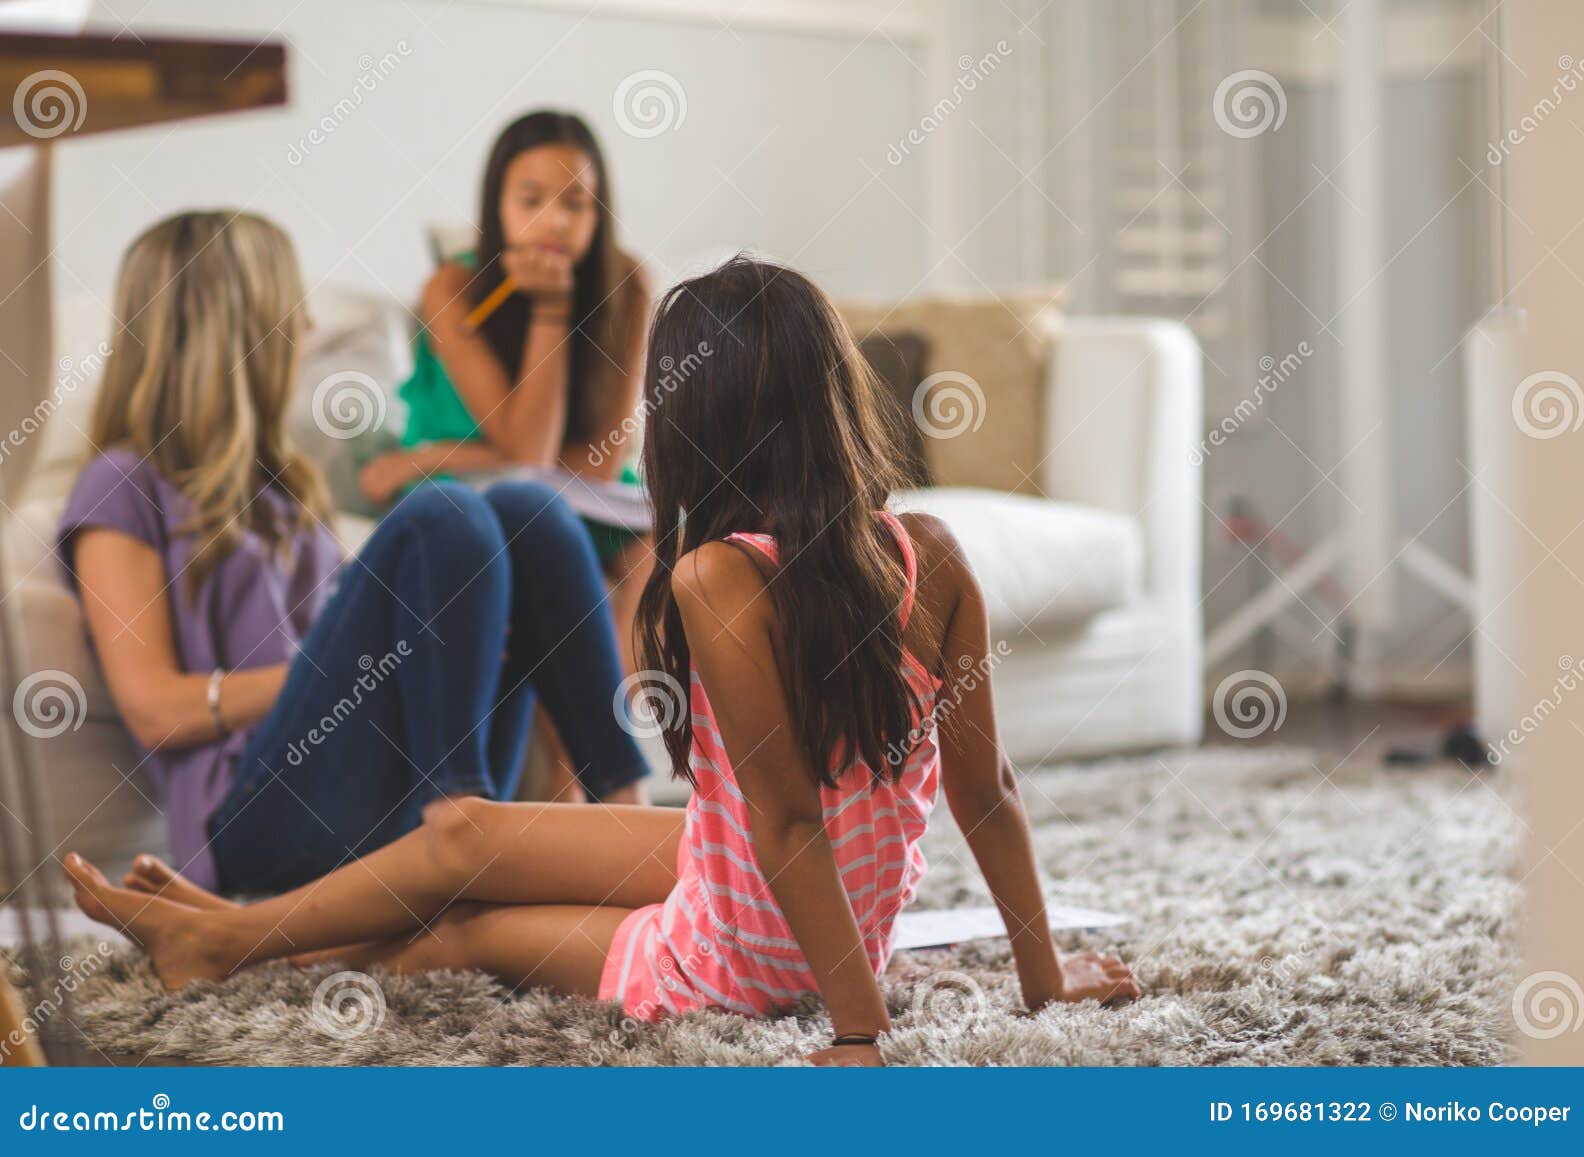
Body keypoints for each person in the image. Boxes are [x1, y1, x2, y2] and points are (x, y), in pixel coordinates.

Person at [64, 256, 1138, 1065]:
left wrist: (858, 1030)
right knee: (465, 830)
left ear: (694, 422)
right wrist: (1043, 980)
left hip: (744, 947)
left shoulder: (716, 578)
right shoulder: (935, 554)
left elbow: (789, 821)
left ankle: (231, 948)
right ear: (834, 398)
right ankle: (230, 926)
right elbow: (984, 790)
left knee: (466, 935)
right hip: (811, 900)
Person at [57, 210, 649, 898]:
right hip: (250, 821)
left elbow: (357, 638)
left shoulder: (288, 489)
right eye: (292, 311)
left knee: (528, 508)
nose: (307, 331)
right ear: (239, 329)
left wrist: (425, 644)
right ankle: (460, 826)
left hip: (372, 786)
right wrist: (331, 676)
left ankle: (623, 815)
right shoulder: (122, 482)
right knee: (442, 511)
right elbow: (154, 706)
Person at [358, 111, 653, 800]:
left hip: (579, 486)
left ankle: (598, 768)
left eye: (576, 202)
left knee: (652, 554)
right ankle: (581, 788)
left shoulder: (627, 283)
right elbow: (523, 456)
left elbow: (601, 461)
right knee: (536, 526)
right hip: (482, 497)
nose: (554, 222)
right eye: (531, 201)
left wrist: (433, 454)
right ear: (496, 204)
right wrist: (549, 310)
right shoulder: (453, 289)